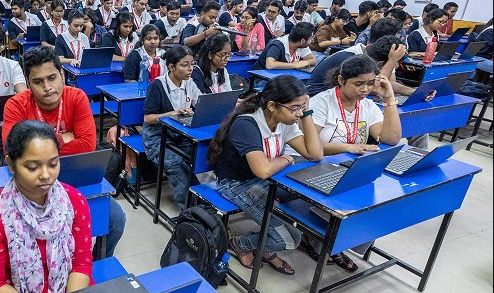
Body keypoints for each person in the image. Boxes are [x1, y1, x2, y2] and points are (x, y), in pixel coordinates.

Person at [2, 46, 126, 258]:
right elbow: (13, 151)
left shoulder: (76, 97)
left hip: (75, 178)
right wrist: (65, 137)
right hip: (32, 186)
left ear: (62, 74)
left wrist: (39, 146)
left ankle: (94, 262)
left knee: (116, 220)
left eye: (52, 78)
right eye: (38, 82)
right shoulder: (16, 105)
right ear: (29, 83)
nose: (47, 87)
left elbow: (87, 145)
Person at [0, 120, 93, 293]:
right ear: (11, 164)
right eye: (32, 167)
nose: (46, 175)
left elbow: (81, 263)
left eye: (53, 164)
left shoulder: (73, 202)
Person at [207, 76, 323, 273]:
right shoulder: (247, 124)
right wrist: (286, 159)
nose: (298, 113)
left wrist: (306, 113)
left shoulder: (284, 120)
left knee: (308, 199)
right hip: (235, 184)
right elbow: (262, 170)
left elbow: (315, 153)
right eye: (294, 108)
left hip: (267, 179)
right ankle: (242, 242)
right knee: (289, 240)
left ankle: (262, 243)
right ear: (272, 105)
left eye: (301, 107)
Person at [302, 54, 402, 271]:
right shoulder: (322, 102)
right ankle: (324, 243)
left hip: (349, 167)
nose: (365, 89)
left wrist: (389, 100)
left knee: (375, 197)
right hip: (316, 165)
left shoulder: (366, 106)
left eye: (369, 83)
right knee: (346, 198)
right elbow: (311, 147)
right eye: (358, 84)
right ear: (341, 80)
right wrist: (349, 147)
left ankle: (338, 243)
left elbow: (390, 138)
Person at [141, 45, 201, 211]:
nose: (190, 69)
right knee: (177, 163)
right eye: (185, 65)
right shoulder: (157, 86)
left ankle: (202, 205)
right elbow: (148, 118)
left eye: (192, 64)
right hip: (156, 139)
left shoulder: (190, 83)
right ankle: (192, 212)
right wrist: (173, 113)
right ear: (171, 67)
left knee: (203, 155)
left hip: (180, 135)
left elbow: (201, 102)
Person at [253, 22, 317, 70]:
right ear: (302, 41)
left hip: (282, 76)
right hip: (261, 80)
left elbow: (313, 60)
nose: (312, 41)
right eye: (311, 38)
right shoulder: (278, 45)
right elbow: (270, 65)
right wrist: (295, 65)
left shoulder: (302, 45)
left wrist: (304, 62)